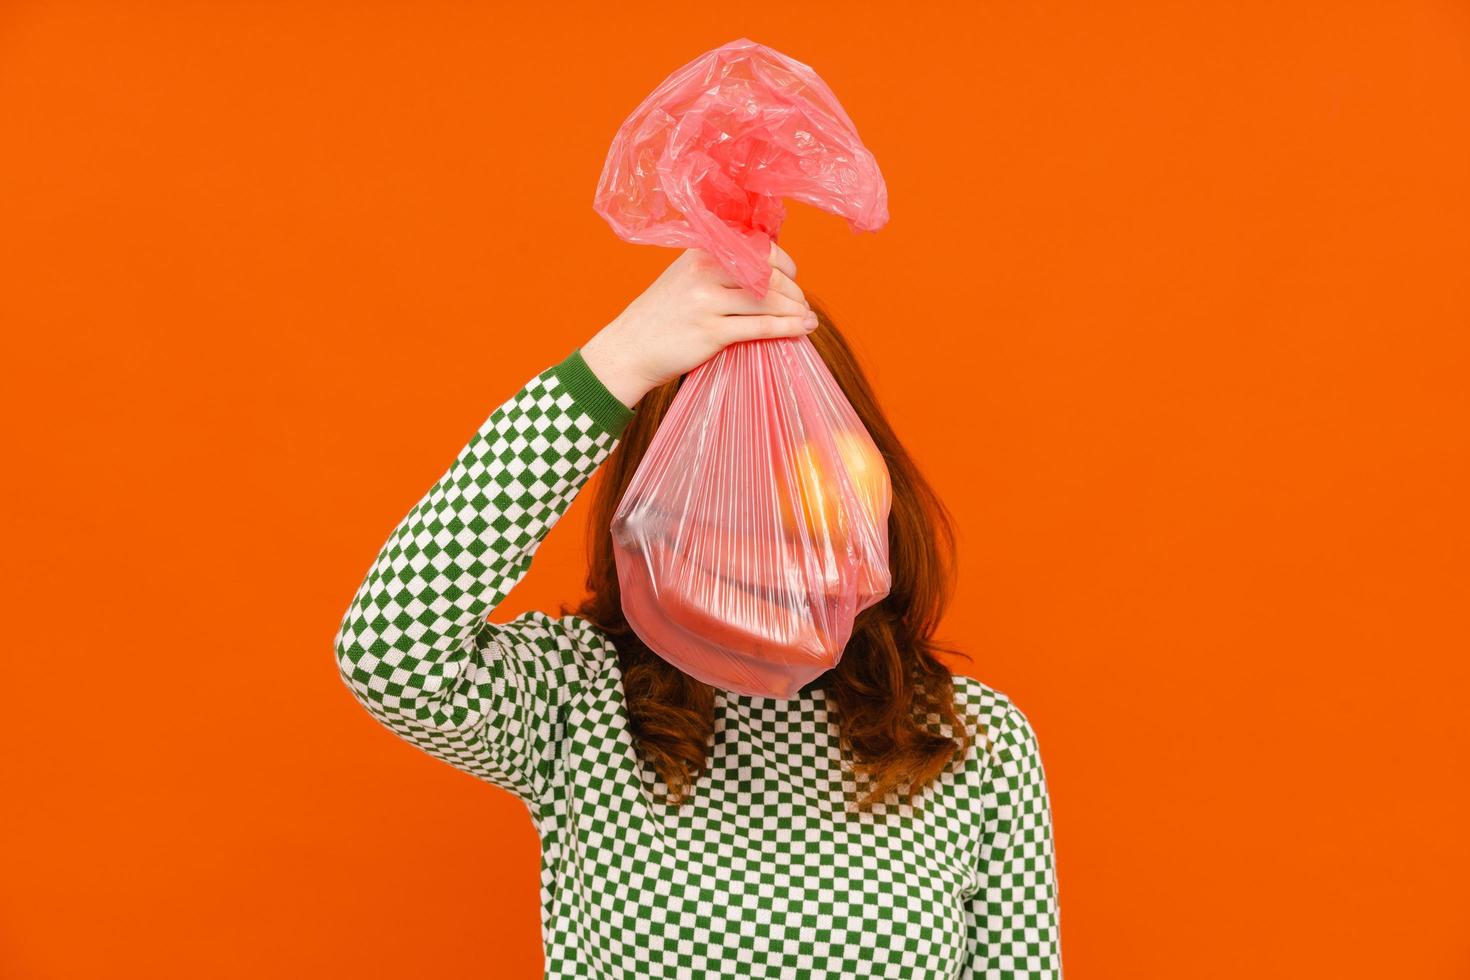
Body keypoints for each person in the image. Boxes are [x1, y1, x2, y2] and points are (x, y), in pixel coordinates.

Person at [334, 242, 1063, 979]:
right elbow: (388, 652)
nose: (769, 519)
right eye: (726, 477)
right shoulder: (582, 706)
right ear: (655, 501)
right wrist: (615, 365)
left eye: (803, 466)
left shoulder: (973, 745)